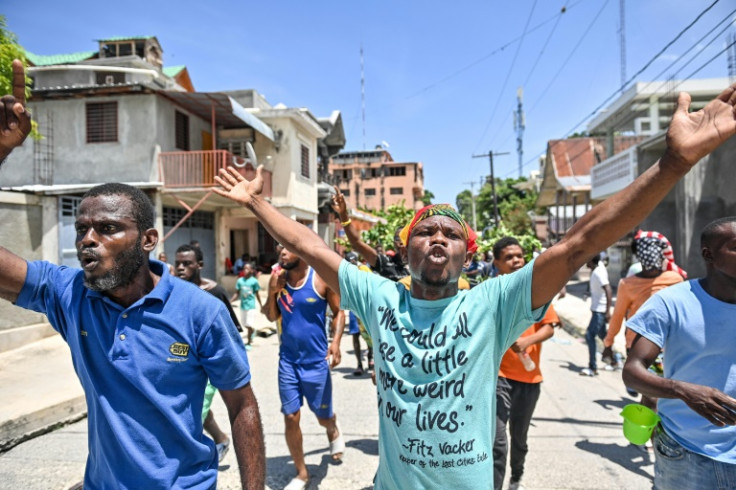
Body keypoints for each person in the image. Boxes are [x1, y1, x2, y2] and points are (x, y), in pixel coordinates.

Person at [211, 76, 736, 488]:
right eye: (426, 232)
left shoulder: (495, 302)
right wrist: (257, 202)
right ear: (403, 249)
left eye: (451, 234)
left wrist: (673, 163)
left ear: (468, 254)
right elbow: (309, 245)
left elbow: (579, 241)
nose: (438, 239)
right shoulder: (377, 297)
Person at [0, 60, 265, 489]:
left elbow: (242, 405)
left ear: (147, 240)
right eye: (82, 229)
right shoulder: (68, 294)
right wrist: (1, 150)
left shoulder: (200, 311)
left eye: (107, 229)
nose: (88, 239)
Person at [622, 217, 736, 490]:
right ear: (709, 255)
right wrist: (683, 390)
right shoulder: (672, 301)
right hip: (688, 450)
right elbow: (632, 371)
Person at [263, 246, 346, 490]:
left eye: (287, 249)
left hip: (316, 363)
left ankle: (332, 427)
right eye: (278, 249)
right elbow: (270, 317)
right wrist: (272, 292)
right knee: (290, 416)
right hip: (288, 361)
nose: (281, 253)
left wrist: (336, 343)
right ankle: (302, 474)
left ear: (301, 250)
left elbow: (339, 311)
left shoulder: (319, 278)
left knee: (322, 417)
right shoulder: (278, 279)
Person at [491, 237, 560, 490]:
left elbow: (550, 328)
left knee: (518, 438)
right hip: (499, 376)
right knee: (497, 440)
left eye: (519, 256)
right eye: (509, 257)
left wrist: (526, 340)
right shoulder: (492, 292)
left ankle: (516, 474)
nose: (516, 261)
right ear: (496, 263)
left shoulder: (537, 290)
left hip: (530, 379)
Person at [174, 243, 243, 462]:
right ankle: (221, 439)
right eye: (178, 264)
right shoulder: (172, 292)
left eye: (187, 264)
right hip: (182, 363)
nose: (181, 268)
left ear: (200, 265)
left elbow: (233, 332)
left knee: (195, 412)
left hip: (210, 366)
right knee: (191, 408)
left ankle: (189, 463)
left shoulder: (215, 292)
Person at [602, 233, 684, 359]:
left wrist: (608, 344)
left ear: (638, 257)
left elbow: (617, 316)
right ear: (661, 256)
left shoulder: (627, 284)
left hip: (642, 346)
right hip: (664, 346)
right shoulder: (675, 279)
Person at [331, 187, 408, 281]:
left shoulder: (422, 265)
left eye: (405, 238)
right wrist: (343, 214)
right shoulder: (385, 263)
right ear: (393, 243)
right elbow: (356, 243)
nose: (401, 242)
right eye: (397, 238)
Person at [580, 253, 612, 376]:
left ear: (591, 261)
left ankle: (592, 367)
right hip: (598, 309)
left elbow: (608, 290)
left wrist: (608, 311)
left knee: (589, 335)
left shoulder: (599, 272)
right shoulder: (596, 270)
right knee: (604, 336)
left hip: (600, 311)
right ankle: (613, 360)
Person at [345, 251, 374, 374]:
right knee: (355, 334)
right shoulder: (344, 273)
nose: (352, 263)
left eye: (353, 261)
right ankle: (359, 364)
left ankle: (370, 358)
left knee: (369, 334)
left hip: (365, 307)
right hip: (353, 308)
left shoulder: (364, 269)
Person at [232, 262, 263, 349]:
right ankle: (253, 331)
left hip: (251, 306)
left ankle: (249, 343)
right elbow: (236, 293)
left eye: (248, 268)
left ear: (252, 270)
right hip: (243, 306)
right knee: (245, 324)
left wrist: (261, 305)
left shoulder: (254, 281)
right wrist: (230, 301)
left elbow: (257, 294)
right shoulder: (240, 281)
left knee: (249, 324)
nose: (245, 270)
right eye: (244, 268)